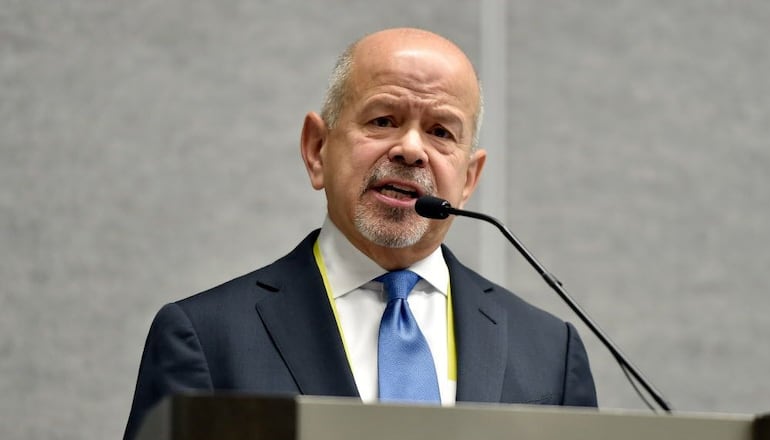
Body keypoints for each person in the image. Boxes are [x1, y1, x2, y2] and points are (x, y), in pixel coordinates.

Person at [123, 27, 597, 440]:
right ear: (316, 149)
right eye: (383, 120)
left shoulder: (550, 352)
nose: (411, 150)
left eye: (440, 132)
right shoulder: (207, 338)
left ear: (469, 178)